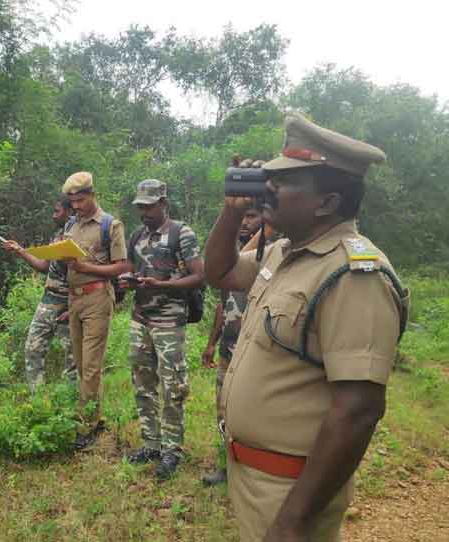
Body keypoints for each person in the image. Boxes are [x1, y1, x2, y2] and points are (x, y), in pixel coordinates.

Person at [204, 113, 409, 542]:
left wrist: (294, 521)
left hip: (290, 488)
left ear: (327, 203)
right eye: (270, 177)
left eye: (285, 180)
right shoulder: (282, 251)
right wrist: (231, 213)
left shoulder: (355, 274)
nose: (269, 188)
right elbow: (219, 271)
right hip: (254, 474)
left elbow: (359, 409)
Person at [119, 179, 204, 480]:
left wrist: (163, 285)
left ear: (163, 203)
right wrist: (128, 281)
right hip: (140, 318)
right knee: (143, 384)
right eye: (140, 207)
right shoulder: (137, 236)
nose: (144, 212)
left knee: (172, 386)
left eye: (149, 206)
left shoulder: (182, 233)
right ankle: (151, 444)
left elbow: (199, 276)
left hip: (169, 320)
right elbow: (131, 268)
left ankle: (172, 450)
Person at [61, 171, 130, 450]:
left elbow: (122, 267)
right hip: (73, 299)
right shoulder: (71, 225)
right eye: (72, 201)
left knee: (90, 366)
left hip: (97, 298)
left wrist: (87, 267)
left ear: (92, 195)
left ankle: (85, 426)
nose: (76, 206)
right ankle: (96, 416)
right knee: (81, 364)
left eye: (80, 200)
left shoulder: (110, 225)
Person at [200, 201, 262, 486]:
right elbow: (222, 306)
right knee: (223, 409)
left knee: (253, 414)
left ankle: (253, 473)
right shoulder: (232, 255)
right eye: (243, 217)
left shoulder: (271, 253)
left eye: (252, 216)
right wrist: (211, 343)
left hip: (256, 353)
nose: (245, 222)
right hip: (228, 348)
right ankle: (227, 468)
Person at [2, 195, 76, 392]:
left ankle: (72, 401)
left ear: (69, 212)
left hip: (68, 303)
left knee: (73, 357)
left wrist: (76, 306)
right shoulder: (57, 236)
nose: (54, 215)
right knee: (33, 349)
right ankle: (39, 400)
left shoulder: (78, 236)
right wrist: (20, 251)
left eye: (57, 211)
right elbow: (44, 266)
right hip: (48, 301)